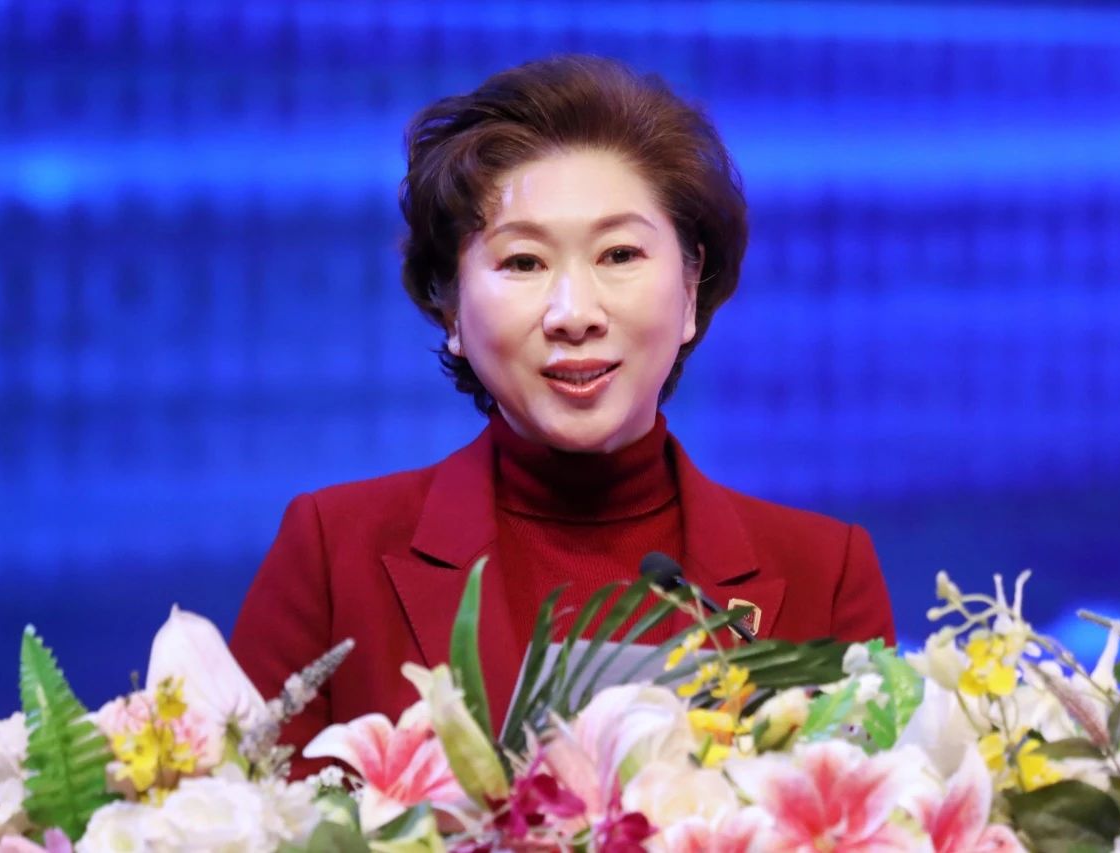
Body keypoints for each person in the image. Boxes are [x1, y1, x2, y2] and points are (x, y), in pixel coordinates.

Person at [230, 54, 894, 771]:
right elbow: (246, 815)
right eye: (523, 262)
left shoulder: (825, 573)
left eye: (619, 254)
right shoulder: (333, 555)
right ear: (450, 306)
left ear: (690, 286)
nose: (574, 313)